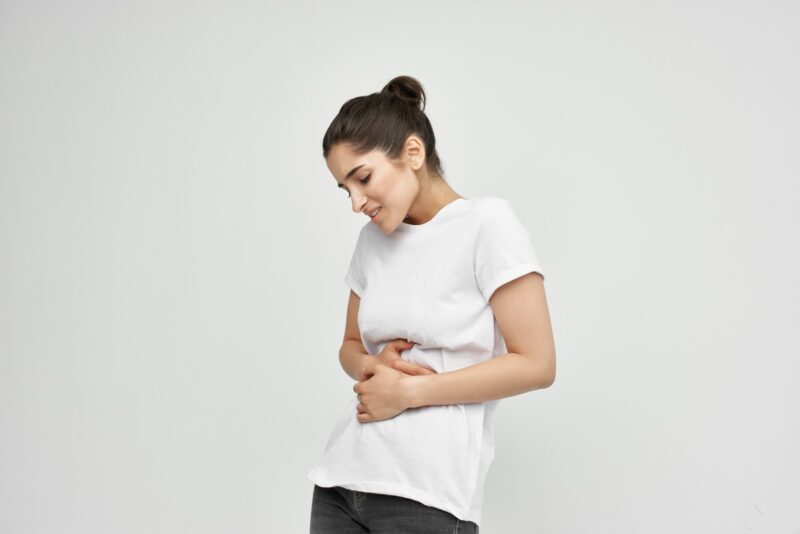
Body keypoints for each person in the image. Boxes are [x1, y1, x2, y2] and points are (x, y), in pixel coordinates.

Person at [307, 75, 556, 533]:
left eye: (363, 178)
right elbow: (349, 345)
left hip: (427, 494)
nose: (356, 202)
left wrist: (408, 393)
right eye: (345, 189)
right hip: (340, 484)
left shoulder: (487, 224)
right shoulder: (371, 243)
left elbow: (538, 365)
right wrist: (370, 365)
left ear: (413, 153)